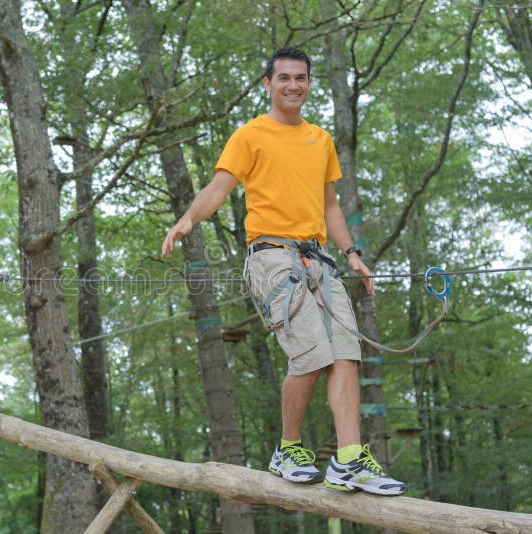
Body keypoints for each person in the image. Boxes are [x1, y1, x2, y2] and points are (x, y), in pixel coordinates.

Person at [162, 46, 406, 495]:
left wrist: (351, 252)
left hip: (319, 257)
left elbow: (330, 205)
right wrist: (189, 220)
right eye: (284, 78)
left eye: (301, 78)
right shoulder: (250, 135)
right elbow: (220, 186)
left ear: (309, 83)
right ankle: (287, 449)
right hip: (272, 256)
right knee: (312, 352)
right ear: (268, 84)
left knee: (346, 352)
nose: (294, 85)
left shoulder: (321, 140)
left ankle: (350, 460)